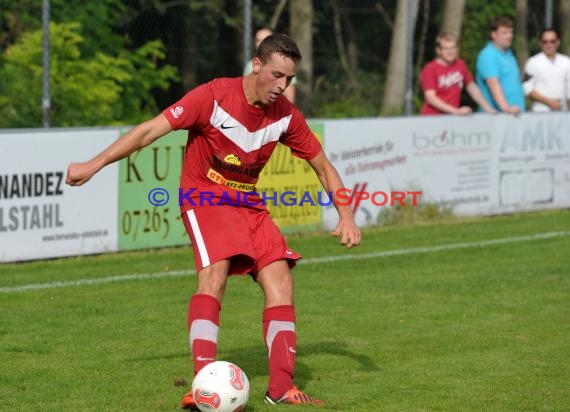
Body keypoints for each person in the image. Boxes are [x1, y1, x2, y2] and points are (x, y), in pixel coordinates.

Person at [66, 33, 360, 408]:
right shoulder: (213, 96)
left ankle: (281, 388)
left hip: (248, 202)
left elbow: (323, 166)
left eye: (289, 79)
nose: (282, 86)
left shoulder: (285, 114)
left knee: (280, 278)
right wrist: (94, 165)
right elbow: (147, 132)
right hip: (203, 195)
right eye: (276, 75)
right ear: (256, 65)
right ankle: (202, 383)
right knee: (215, 273)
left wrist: (346, 214)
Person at [420, 32, 496, 115]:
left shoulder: (460, 64)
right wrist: (455, 111)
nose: (450, 52)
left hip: (452, 117)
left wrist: (487, 108)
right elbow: (431, 97)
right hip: (433, 117)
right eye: (446, 49)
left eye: (453, 48)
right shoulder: (430, 69)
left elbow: (471, 87)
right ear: (439, 50)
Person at [476, 16, 525, 114]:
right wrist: (506, 108)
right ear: (494, 34)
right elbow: (493, 83)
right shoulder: (488, 55)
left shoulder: (509, 54)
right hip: (498, 117)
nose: (509, 36)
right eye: (504, 32)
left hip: (516, 114)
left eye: (511, 32)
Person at [244, 27, 297, 104]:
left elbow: (290, 99)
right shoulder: (249, 65)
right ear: (256, 64)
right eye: (258, 40)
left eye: (265, 40)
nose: (261, 43)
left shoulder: (286, 66)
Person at [523, 28, 570, 112]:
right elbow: (527, 89)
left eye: (552, 41)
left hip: (562, 111)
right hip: (540, 112)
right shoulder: (532, 62)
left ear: (558, 42)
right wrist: (549, 102)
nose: (549, 44)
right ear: (540, 43)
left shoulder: (566, 62)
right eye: (545, 41)